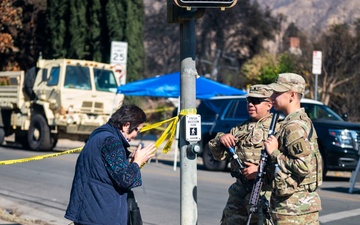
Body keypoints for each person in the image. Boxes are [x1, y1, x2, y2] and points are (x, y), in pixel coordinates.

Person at [65, 104, 156, 225]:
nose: (136, 135)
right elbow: (125, 180)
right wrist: (137, 162)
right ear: (126, 125)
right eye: (137, 130)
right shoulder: (111, 141)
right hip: (99, 214)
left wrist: (130, 161)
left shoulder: (100, 135)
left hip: (89, 211)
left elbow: (107, 170)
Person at [209, 84, 278, 225]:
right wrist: (221, 139)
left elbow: (285, 165)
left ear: (269, 104)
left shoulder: (277, 129)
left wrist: (260, 172)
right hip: (239, 191)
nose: (251, 104)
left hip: (263, 192)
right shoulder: (240, 129)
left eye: (257, 101)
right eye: (249, 101)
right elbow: (218, 156)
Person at [265, 73, 322, 225]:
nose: (272, 96)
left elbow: (304, 166)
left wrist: (274, 153)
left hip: (292, 209)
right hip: (299, 206)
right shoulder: (301, 121)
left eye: (277, 92)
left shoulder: (293, 127)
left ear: (292, 95)